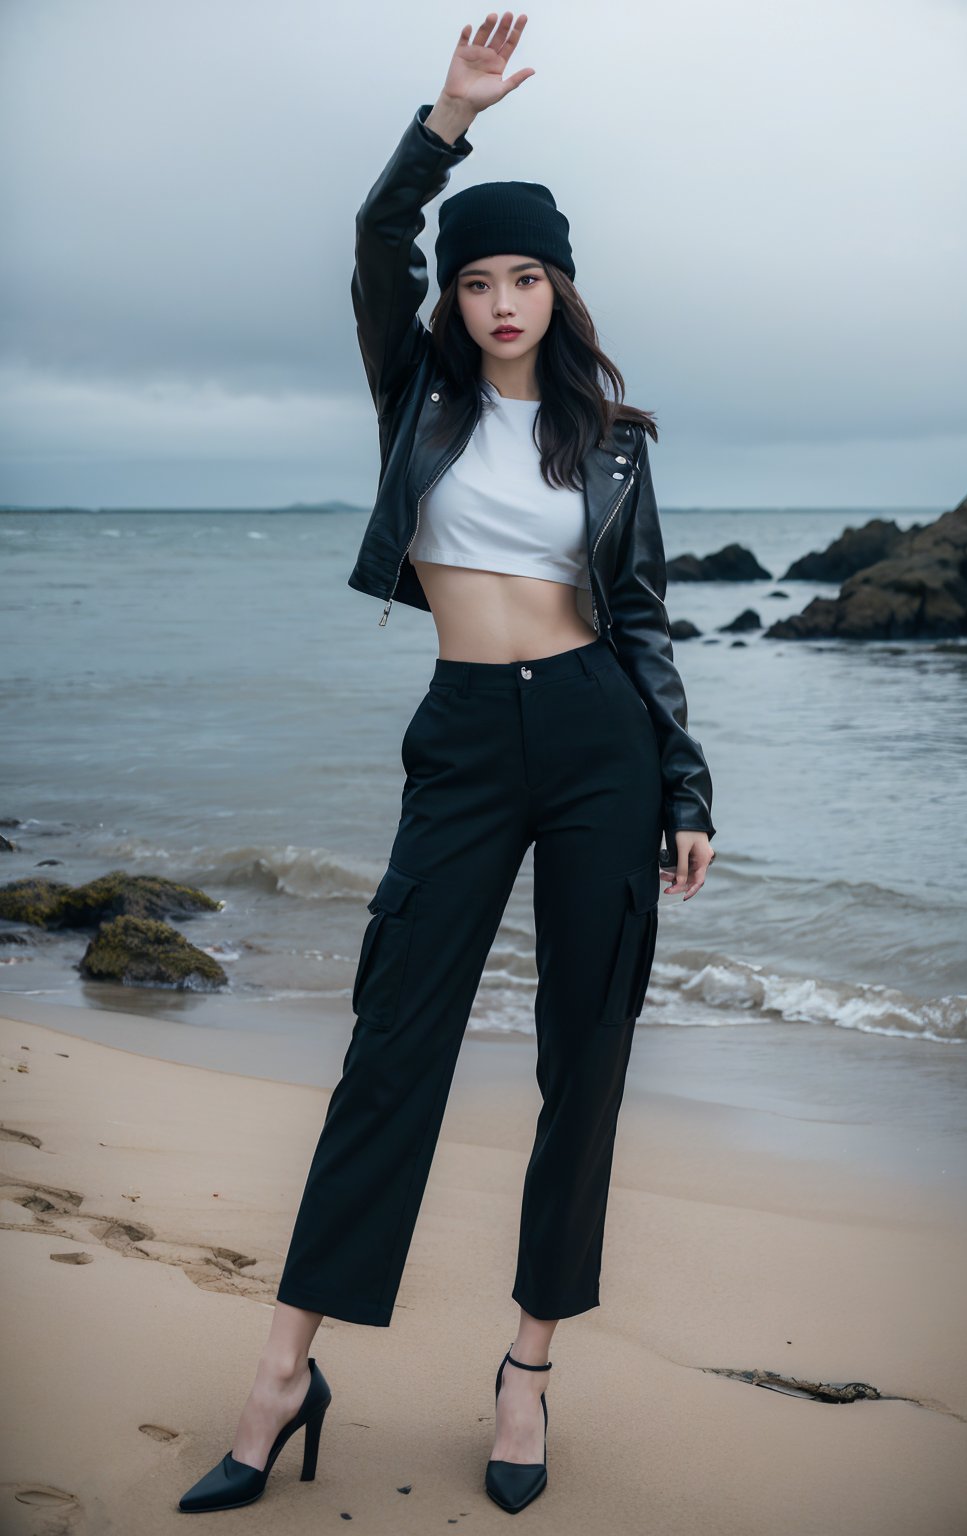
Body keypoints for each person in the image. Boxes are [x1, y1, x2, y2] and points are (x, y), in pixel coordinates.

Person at [178, 10, 715, 1519]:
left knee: (583, 1054)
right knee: (389, 1049)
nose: (495, 301)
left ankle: (528, 1369)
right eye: (476, 279)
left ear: (558, 286)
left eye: (521, 276)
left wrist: (687, 787)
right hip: (466, 741)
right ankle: (287, 1372)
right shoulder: (414, 392)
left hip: (605, 739)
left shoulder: (611, 438)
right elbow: (374, 233)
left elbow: (650, 621)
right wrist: (448, 118)